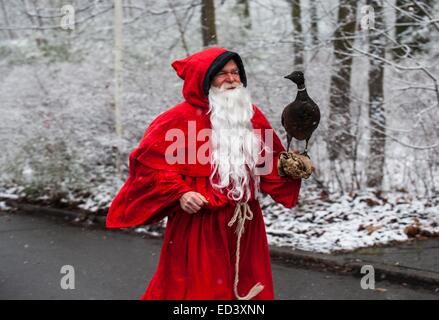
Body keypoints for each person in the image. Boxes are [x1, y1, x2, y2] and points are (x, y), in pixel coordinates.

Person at [106, 47, 302, 300]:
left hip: (246, 223)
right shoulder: (176, 120)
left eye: (235, 73)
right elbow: (150, 167)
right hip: (199, 224)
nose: (231, 79)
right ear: (205, 79)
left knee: (248, 290)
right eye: (222, 73)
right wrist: (181, 193)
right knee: (197, 294)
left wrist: (291, 168)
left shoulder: (250, 116)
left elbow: (268, 165)